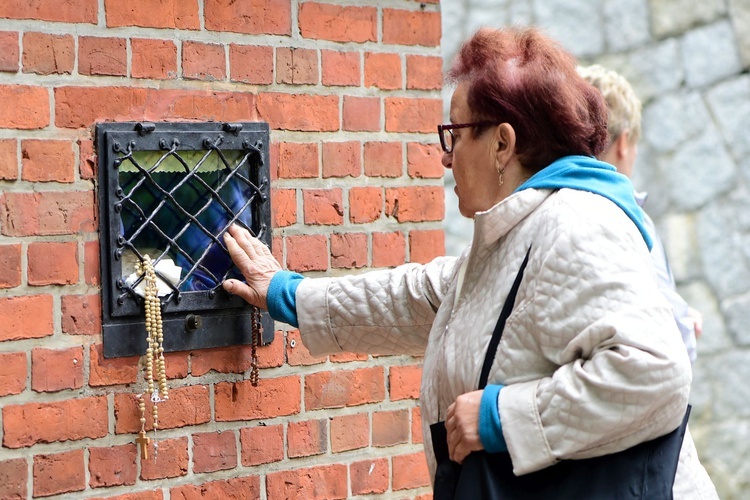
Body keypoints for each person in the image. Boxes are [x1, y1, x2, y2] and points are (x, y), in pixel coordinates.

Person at [222, 27, 717, 497]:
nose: (446, 156)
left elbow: (655, 372)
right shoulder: (522, 231)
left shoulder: (574, 224)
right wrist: (284, 293)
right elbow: (413, 298)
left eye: (455, 134)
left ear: (503, 143)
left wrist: (501, 417)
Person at [578, 64, 703, 362]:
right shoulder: (631, 217)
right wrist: (685, 321)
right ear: (623, 143)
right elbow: (673, 334)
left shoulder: (547, 203)